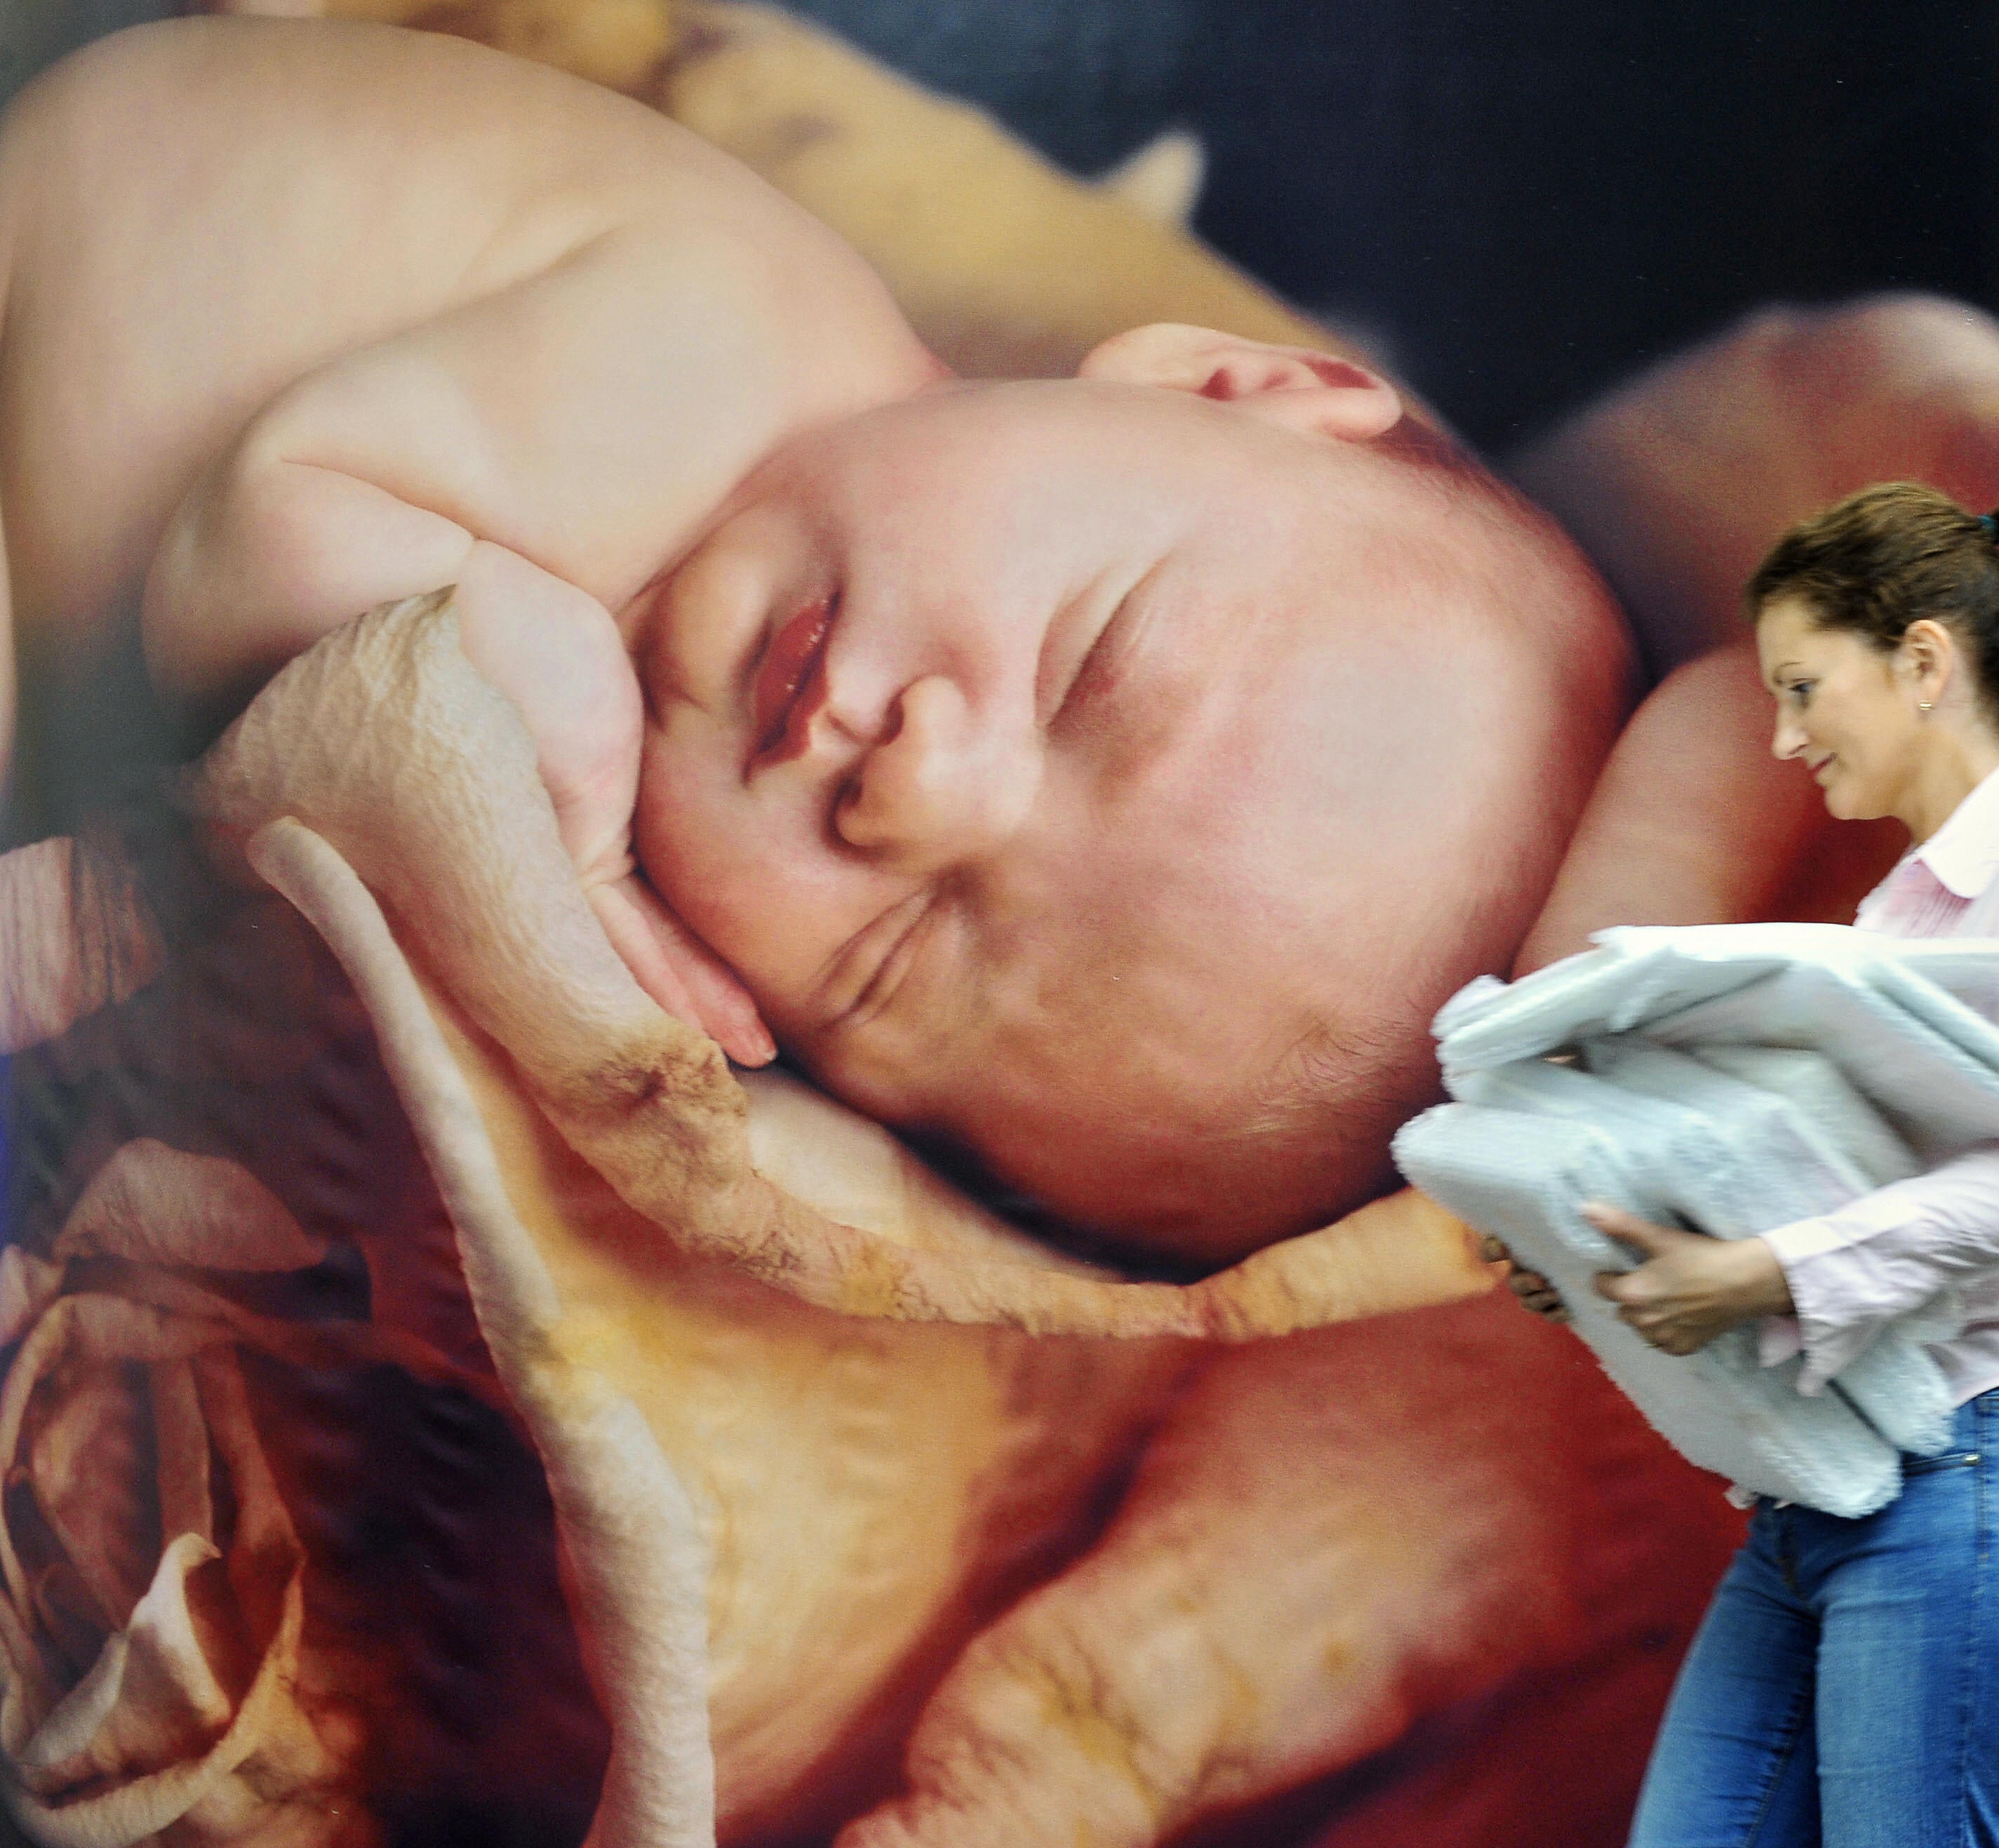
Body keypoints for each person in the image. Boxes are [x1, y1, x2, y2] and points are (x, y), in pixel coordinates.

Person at [0, 15, 1627, 1266]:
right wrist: (551, 792)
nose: (911, 793)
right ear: (1229, 385)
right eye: (1085, 669)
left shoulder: (669, 801)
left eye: (895, 957)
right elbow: (246, 546)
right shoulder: (726, 352)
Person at [1502, 480, 1999, 1846]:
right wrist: (1594, 1248)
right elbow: (1819, 1200)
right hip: (1828, 1488)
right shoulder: (1890, 917)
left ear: (1922, 664)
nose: (1783, 737)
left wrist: (1751, 1272)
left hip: (1972, 1470)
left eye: (1803, 688)